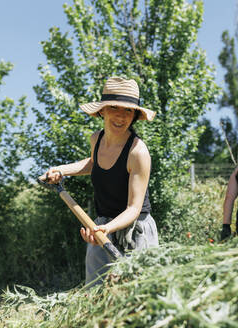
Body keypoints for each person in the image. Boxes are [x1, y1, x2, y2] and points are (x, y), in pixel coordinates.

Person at [42, 77, 159, 285]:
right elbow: (94, 163)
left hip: (135, 230)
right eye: (114, 107)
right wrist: (61, 170)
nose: (121, 116)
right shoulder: (97, 139)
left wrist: (106, 230)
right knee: (96, 294)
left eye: (128, 111)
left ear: (134, 116)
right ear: (102, 110)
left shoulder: (138, 152)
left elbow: (134, 208)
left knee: (137, 299)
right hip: (102, 225)